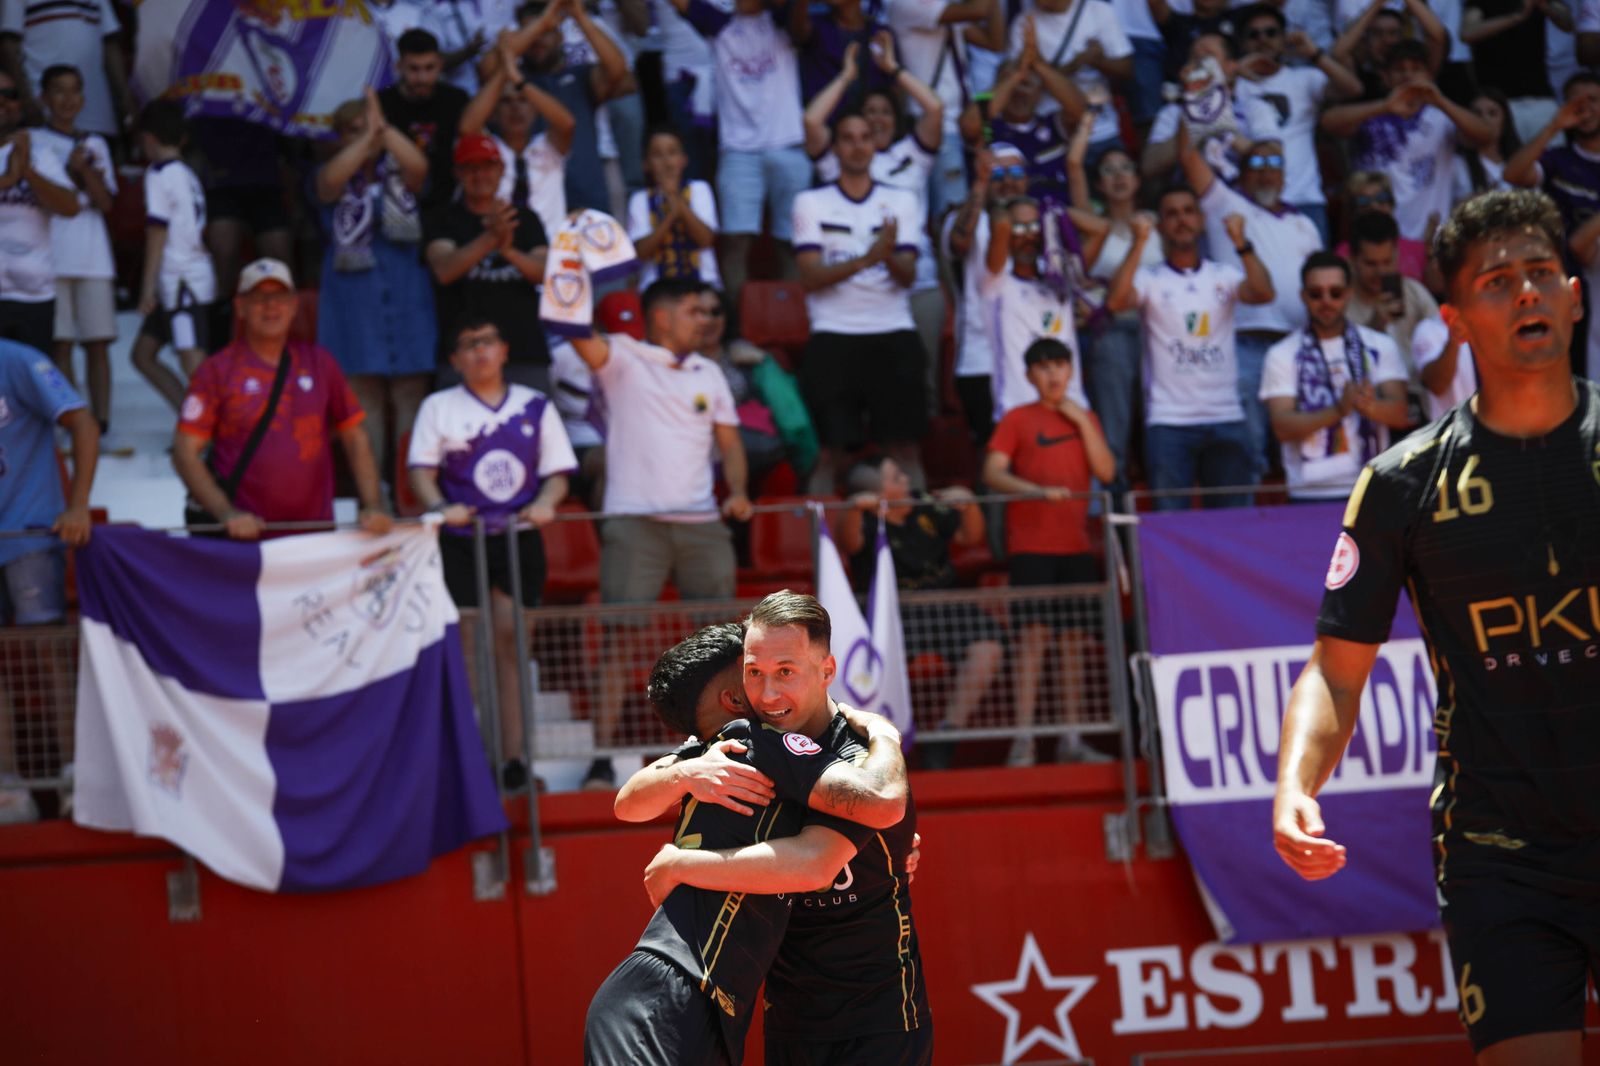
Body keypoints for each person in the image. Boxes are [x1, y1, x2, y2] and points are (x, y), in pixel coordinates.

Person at [1274, 188, 1600, 1066]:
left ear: (1574, 293)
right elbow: (1336, 673)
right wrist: (1297, 784)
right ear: (1453, 318)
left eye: (1541, 274)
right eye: (1499, 282)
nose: (1527, 294)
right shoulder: (1400, 485)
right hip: (1502, 855)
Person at [595, 620, 910, 1064]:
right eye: (754, 672)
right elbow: (626, 802)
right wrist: (884, 735)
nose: (769, 684)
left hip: (706, 1005)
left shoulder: (731, 747)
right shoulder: (744, 741)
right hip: (669, 992)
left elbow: (871, 818)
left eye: (782, 670)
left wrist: (894, 848)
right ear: (736, 698)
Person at [564, 277, 753, 786]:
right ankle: (603, 757)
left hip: (702, 524)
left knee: (726, 647)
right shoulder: (624, 356)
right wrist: (569, 270)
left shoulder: (709, 371)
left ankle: (730, 749)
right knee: (618, 641)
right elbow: (573, 330)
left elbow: (731, 446)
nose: (706, 319)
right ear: (663, 316)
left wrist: (736, 489)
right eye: (694, 309)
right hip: (635, 522)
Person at [408, 314, 575, 790]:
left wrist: (546, 502)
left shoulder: (535, 405)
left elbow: (558, 473)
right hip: (461, 542)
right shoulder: (438, 407)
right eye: (468, 343)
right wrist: (440, 505)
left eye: (487, 341)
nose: (479, 350)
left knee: (510, 644)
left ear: (504, 350)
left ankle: (514, 760)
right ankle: (473, 759)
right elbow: (421, 471)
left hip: (519, 537)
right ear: (456, 360)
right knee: (467, 649)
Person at [173, 259, 392, 540]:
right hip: (244, 541)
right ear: (240, 307)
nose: (271, 307)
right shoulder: (216, 370)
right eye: (260, 298)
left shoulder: (320, 362)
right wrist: (225, 512)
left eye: (279, 297)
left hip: (315, 539)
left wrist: (373, 504)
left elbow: (355, 438)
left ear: (294, 305)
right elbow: (184, 452)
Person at [982, 338, 1114, 765]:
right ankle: (1025, 738)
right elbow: (992, 473)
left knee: (1073, 643)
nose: (1053, 375)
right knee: (1032, 641)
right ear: (1029, 376)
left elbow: (1106, 471)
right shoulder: (1017, 419)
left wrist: (1079, 417)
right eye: (1043, 368)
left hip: (1075, 546)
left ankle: (1071, 738)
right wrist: (1036, 492)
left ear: (1071, 370)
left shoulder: (1084, 417)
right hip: (1032, 548)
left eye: (1059, 365)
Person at [1105, 189, 1274, 509]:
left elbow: (1264, 293)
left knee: (1233, 526)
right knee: (1171, 525)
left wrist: (1242, 243)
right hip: (1169, 421)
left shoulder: (1223, 274)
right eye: (1171, 213)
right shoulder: (1149, 278)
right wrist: (1138, 242)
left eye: (1188, 211)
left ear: (1200, 220)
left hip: (1226, 414)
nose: (1181, 219)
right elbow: (1115, 301)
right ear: (1161, 225)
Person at [806, 37, 946, 403]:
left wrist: (893, 70)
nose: (878, 119)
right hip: (859, 289)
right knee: (867, 388)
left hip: (920, 282)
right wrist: (846, 77)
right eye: (869, 113)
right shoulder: (843, 159)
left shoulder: (910, 155)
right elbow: (811, 121)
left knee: (921, 383)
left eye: (885, 112)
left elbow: (934, 108)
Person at [793, 109, 925, 494]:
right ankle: (821, 550)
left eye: (864, 137)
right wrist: (870, 256)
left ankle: (919, 542)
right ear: (834, 147)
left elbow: (909, 276)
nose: (857, 146)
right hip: (834, 333)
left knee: (905, 449)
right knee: (828, 455)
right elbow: (810, 277)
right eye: (847, 138)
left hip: (894, 329)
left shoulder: (902, 200)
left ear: (876, 144)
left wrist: (886, 256)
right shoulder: (810, 202)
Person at [838, 455, 1004, 763]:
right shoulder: (861, 516)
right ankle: (873, 746)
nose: (904, 477)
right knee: (872, 667)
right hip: (889, 615)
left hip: (945, 607)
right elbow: (849, 543)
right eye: (894, 476)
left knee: (989, 646)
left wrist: (969, 504)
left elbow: (971, 537)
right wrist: (854, 508)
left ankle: (948, 732)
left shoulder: (925, 503)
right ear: (875, 489)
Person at [1179, 126, 1323, 478]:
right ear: (1242, 171)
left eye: (1274, 162)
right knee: (1249, 446)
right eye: (1256, 161)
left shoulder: (1305, 223)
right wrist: (1196, 107)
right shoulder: (1225, 203)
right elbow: (1187, 156)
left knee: (1301, 445)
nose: (1265, 169)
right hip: (1243, 341)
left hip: (1296, 345)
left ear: (1285, 174)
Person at [0, 338, 97, 823]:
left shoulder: (17, 359)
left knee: (50, 651)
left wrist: (77, 503)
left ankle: (75, 774)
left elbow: (81, 420)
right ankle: (6, 786)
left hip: (29, 530)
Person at [315, 90, 435, 482]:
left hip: (406, 301)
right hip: (354, 307)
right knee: (363, 404)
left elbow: (419, 166)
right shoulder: (326, 176)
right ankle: (375, 496)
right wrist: (370, 138)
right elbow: (330, 182)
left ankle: (410, 495)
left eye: (368, 131)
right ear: (338, 138)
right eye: (352, 132)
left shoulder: (399, 178)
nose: (363, 138)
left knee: (409, 400)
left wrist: (382, 131)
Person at [667, 0, 808, 305]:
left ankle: (796, 325)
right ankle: (738, 329)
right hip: (738, 150)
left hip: (788, 143)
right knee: (734, 242)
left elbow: (800, 26)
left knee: (792, 244)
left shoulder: (784, 17)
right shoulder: (718, 22)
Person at [1259, 251, 1410, 501]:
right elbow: (1282, 427)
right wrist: (1338, 410)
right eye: (1316, 294)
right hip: (1308, 492)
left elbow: (1401, 413)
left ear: (1349, 293)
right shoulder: (1282, 354)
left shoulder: (1379, 345)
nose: (1326, 301)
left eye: (1335, 293)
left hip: (1368, 488)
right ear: (1303, 296)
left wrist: (1368, 406)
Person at [1321, 39, 1492, 243]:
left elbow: (1486, 136)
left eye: (1416, 69)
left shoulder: (1441, 118)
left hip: (1428, 237)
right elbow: (1328, 122)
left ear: (1429, 75)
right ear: (1385, 76)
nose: (1408, 75)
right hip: (1373, 239)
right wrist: (1385, 106)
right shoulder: (1369, 114)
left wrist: (1440, 101)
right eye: (1399, 70)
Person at [1069, 122, 1159, 495]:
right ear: (1098, 184)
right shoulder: (1094, 225)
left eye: (1126, 168)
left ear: (1139, 179)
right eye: (1108, 170)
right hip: (1112, 333)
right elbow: (1073, 165)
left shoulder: (1159, 223)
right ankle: (1110, 503)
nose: (1119, 176)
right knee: (1115, 424)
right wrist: (1088, 120)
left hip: (1159, 333)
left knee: (1158, 422)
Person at [424, 132, 550, 389]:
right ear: (457, 173)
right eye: (470, 168)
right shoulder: (443, 219)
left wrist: (509, 251)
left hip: (524, 353)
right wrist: (491, 237)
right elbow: (444, 270)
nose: (480, 175)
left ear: (501, 169)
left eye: (487, 166)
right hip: (463, 357)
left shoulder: (525, 219)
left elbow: (544, 273)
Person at [33, 65, 117, 451]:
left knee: (97, 343)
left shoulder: (96, 144)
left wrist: (84, 171)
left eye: (74, 91)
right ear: (43, 98)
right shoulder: (32, 142)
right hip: (49, 254)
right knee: (61, 344)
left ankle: (101, 423)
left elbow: (107, 203)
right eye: (58, 91)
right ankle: (71, 422)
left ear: (83, 99)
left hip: (93, 256)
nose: (67, 100)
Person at [1232, 2, 1362, 242]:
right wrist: (1234, 70)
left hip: (1305, 198)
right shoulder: (1233, 87)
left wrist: (1314, 53)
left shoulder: (1303, 78)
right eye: (1253, 35)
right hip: (1248, 201)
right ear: (1242, 43)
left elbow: (1352, 88)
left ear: (1284, 38)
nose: (1263, 40)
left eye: (1271, 33)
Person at [495, 0, 633, 216]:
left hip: (586, 196)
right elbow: (492, 63)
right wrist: (543, 22)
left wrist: (579, 16)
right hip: (535, 202)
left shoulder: (580, 76)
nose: (538, 40)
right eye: (532, 32)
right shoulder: (510, 80)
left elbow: (616, 69)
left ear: (560, 37)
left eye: (547, 32)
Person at [980, 193, 1105, 420]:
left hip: (1072, 406)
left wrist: (1056, 214)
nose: (1029, 236)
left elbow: (1100, 229)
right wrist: (1005, 208)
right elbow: (1000, 224)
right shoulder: (996, 283)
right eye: (1019, 228)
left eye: (1036, 226)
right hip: (1019, 409)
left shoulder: (1062, 277)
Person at [943, 143, 1031, 444]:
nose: (1008, 181)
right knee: (994, 454)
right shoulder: (967, 218)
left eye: (1016, 172)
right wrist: (979, 185)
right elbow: (959, 243)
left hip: (1032, 359)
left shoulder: (1041, 221)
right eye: (998, 173)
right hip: (981, 359)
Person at [886, 0, 1004, 215]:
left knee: (972, 206)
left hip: (960, 122)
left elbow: (995, 42)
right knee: (952, 212)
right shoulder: (906, 4)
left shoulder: (945, 7)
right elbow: (978, 9)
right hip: (934, 126)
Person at [131, 99, 212, 414]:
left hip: (180, 281)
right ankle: (192, 422)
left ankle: (213, 436)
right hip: (187, 277)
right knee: (142, 355)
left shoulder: (159, 173)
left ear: (148, 138)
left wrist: (147, 287)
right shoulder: (187, 173)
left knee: (191, 358)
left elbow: (157, 231)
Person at [459, 35, 575, 239]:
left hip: (550, 250)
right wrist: (505, 71)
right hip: (502, 250)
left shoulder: (548, 146)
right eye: (506, 102)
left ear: (536, 109)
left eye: (523, 101)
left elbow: (567, 123)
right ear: (493, 113)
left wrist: (518, 79)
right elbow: (467, 127)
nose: (515, 109)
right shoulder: (488, 148)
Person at [0, 67, 76, 357]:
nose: (4, 103)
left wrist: (28, 171)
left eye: (11, 95)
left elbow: (70, 207)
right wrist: (8, 179)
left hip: (34, 298)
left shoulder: (40, 153)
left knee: (32, 397)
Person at [1006, 0, 1132, 157]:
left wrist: (1097, 61)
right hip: (1049, 134)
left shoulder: (1100, 11)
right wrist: (1074, 65)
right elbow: (1018, 80)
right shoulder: (1024, 22)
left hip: (1099, 130)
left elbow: (1126, 70)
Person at [1345, 209, 1440, 413]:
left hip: (1417, 401)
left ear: (1397, 255)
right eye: (1371, 264)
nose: (1380, 272)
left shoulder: (1413, 292)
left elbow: (1442, 338)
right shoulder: (1340, 300)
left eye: (1387, 262)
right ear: (1353, 260)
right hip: (1366, 407)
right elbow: (1340, 365)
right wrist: (1374, 327)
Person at [0, 0, 129, 135]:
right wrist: (26, 100)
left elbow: (110, 45)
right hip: (45, 111)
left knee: (99, 152)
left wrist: (124, 99)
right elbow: (8, 47)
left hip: (97, 110)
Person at [379, 29, 471, 213]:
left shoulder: (456, 100)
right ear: (399, 67)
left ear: (440, 65)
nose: (422, 78)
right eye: (414, 69)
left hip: (448, 205)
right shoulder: (382, 103)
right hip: (394, 205)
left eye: (430, 68)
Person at [1503, 71, 1600, 237]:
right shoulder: (1557, 159)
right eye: (1576, 102)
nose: (1585, 108)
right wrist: (1554, 126)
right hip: (1565, 259)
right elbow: (1512, 174)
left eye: (1592, 99)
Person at [628, 125, 720, 289]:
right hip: (656, 288)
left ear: (684, 159)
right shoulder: (639, 199)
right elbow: (641, 253)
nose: (667, 162)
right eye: (657, 155)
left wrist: (675, 200)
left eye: (673, 153)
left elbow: (706, 240)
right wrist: (670, 215)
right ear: (646, 164)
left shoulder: (700, 189)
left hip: (703, 283)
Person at [1451, 86, 1520, 201]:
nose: (1484, 119)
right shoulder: (1456, 164)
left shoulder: (1519, 160)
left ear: (1505, 122)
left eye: (1492, 113)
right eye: (1477, 114)